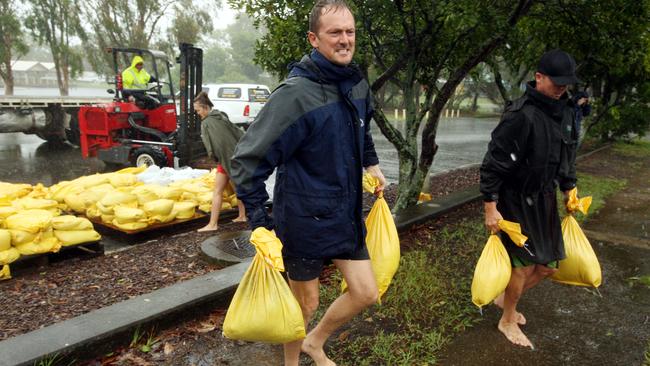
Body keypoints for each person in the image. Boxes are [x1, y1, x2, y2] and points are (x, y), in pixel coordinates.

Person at [231, 1, 386, 365]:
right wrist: (259, 224)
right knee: (304, 304)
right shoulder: (295, 95)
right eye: (335, 33)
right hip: (301, 219)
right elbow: (247, 161)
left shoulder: (356, 83)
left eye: (350, 32)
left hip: (345, 214)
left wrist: (372, 163)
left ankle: (315, 342)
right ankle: (291, 362)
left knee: (365, 292)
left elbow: (363, 126)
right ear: (314, 39)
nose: (345, 40)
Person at [480, 49, 580, 349]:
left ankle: (505, 299)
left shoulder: (564, 110)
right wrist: (490, 207)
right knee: (522, 267)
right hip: (515, 200)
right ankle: (507, 319)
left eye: (566, 82)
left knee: (548, 266)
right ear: (539, 77)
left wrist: (569, 188)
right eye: (556, 81)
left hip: (545, 198)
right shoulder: (520, 115)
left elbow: (566, 152)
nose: (562, 87)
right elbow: (492, 164)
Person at [194, 91, 246, 232]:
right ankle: (242, 215)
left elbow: (209, 145)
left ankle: (212, 224)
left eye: (198, 110)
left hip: (224, 160)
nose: (198, 113)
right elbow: (237, 132)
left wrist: (213, 156)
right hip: (235, 157)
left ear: (205, 107)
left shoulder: (206, 123)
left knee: (217, 191)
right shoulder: (221, 116)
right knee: (237, 188)